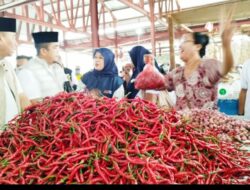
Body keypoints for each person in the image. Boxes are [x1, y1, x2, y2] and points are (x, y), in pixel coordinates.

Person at [155, 18, 234, 110]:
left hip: (207, 123)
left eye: (184, 41)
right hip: (181, 123)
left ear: (197, 46)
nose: (180, 46)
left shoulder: (208, 66)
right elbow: (158, 84)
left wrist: (226, 45)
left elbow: (226, 67)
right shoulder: (176, 72)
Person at [17, 31, 68, 103]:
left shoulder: (57, 67)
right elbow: (34, 103)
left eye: (58, 47)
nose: (58, 51)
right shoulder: (28, 71)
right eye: (55, 47)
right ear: (43, 51)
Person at [0, 17, 30, 129]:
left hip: (13, 137)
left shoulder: (7, 65)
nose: (16, 43)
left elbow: (21, 96)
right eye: (13, 37)